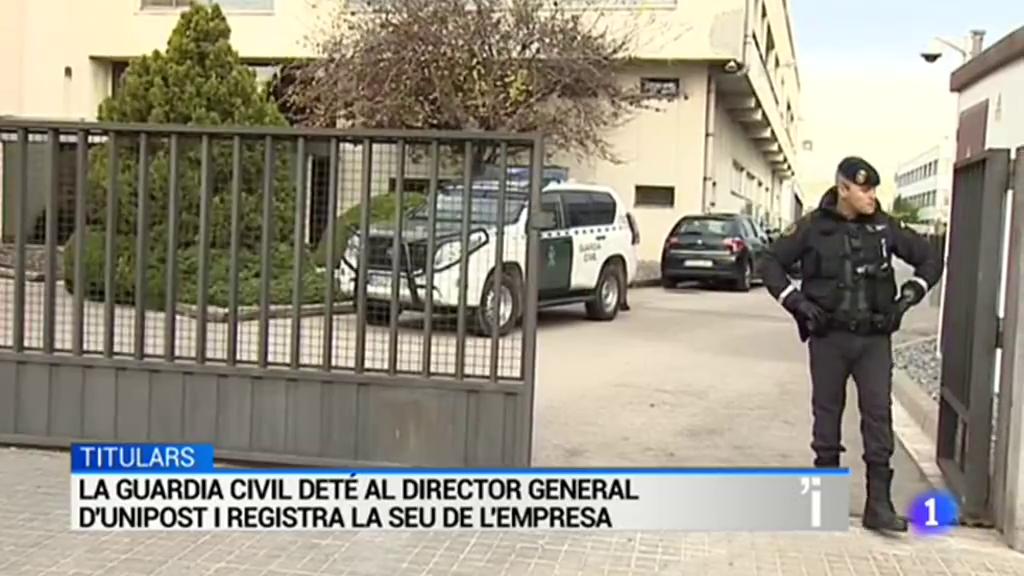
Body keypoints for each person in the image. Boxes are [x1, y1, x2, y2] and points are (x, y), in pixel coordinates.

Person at [759, 156, 944, 533]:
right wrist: (796, 303)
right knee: (826, 416)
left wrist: (908, 296)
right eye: (864, 189)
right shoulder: (813, 226)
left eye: (874, 189)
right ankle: (825, 503)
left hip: (873, 340)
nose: (872, 196)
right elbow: (770, 262)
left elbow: (930, 259)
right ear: (843, 189)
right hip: (829, 338)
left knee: (878, 416)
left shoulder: (884, 227)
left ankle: (879, 505)